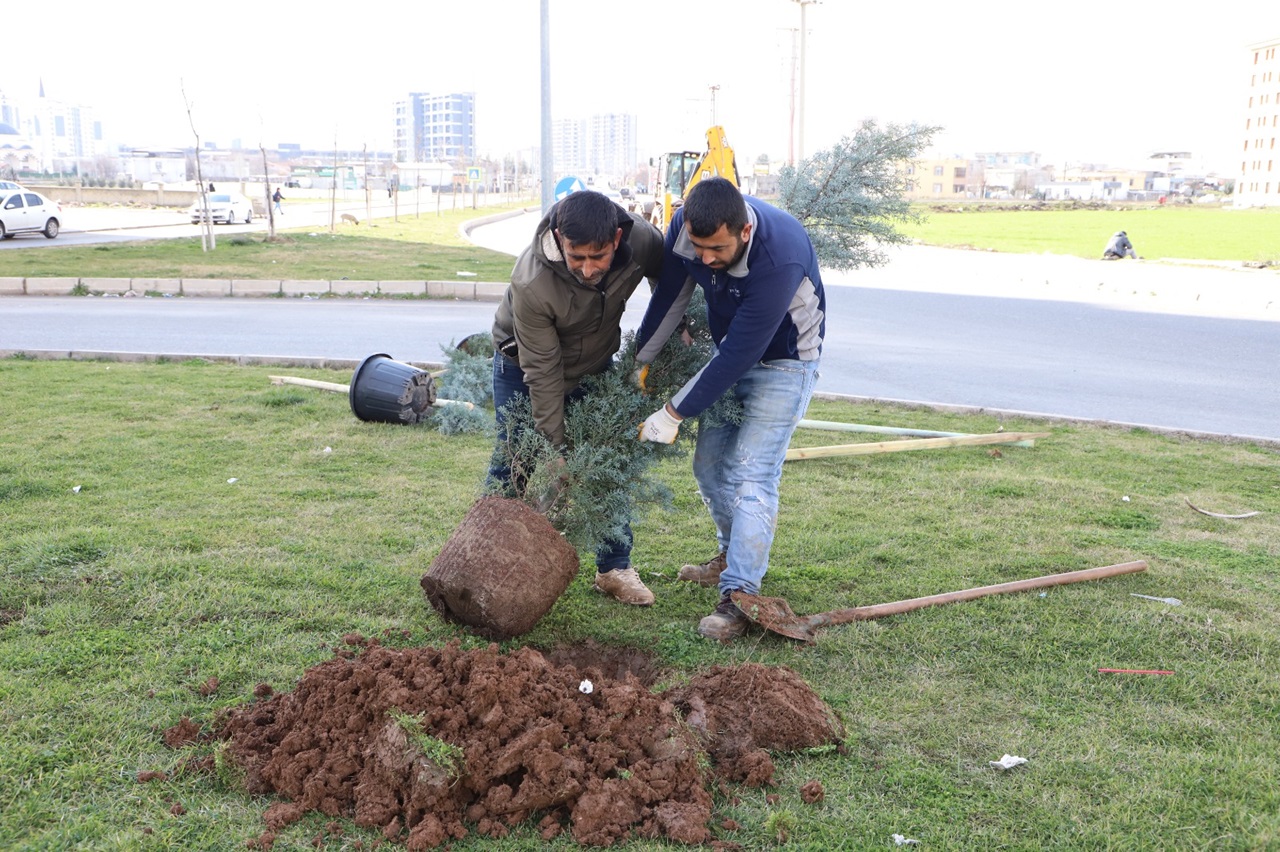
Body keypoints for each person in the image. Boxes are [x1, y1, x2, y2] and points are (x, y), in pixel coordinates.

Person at [635, 177, 825, 640]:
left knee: (751, 473)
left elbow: (741, 352)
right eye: (698, 248)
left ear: (743, 232)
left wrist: (673, 412)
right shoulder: (687, 227)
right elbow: (671, 298)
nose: (705, 258)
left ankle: (740, 594)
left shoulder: (779, 255)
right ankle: (730, 552)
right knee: (709, 466)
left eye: (716, 249)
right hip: (729, 356)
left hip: (784, 362)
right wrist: (638, 363)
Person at [489, 189, 665, 606]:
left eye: (599, 257)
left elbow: (670, 274)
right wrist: (556, 447)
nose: (588, 269)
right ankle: (491, 561)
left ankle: (614, 568)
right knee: (515, 461)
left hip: (594, 364)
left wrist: (671, 321)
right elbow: (543, 372)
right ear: (558, 238)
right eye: (577, 256)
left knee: (607, 460)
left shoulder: (641, 239)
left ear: (617, 241)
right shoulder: (531, 282)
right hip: (524, 368)